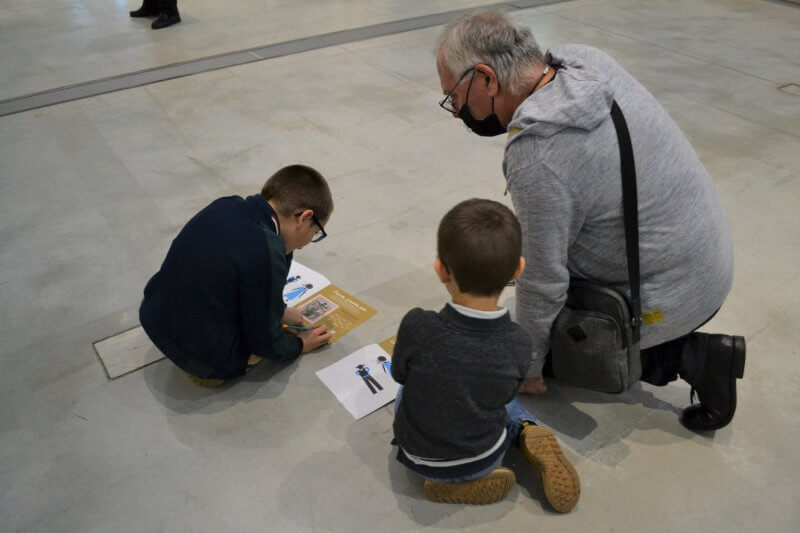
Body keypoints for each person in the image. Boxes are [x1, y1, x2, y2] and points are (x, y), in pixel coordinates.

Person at [434, 11, 745, 432]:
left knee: (565, 349)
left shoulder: (539, 155)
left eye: (455, 98)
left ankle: (698, 357)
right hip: (703, 249)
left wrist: (528, 365)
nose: (456, 113)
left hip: (674, 288)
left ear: (488, 79)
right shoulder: (582, 61)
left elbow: (544, 278)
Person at [391, 199, 580, 509]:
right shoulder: (518, 342)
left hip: (420, 458)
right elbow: (504, 396)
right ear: (518, 269)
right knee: (499, 398)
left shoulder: (418, 325)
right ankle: (527, 429)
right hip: (485, 457)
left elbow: (400, 373)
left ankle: (448, 482)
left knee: (404, 389)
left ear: (441, 269)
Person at [140, 165, 333, 387]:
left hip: (154, 315)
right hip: (202, 360)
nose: (308, 242)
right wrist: (299, 345)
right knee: (252, 352)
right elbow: (265, 342)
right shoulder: (265, 250)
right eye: (316, 232)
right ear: (305, 217)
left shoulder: (226, 204)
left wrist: (278, 311)